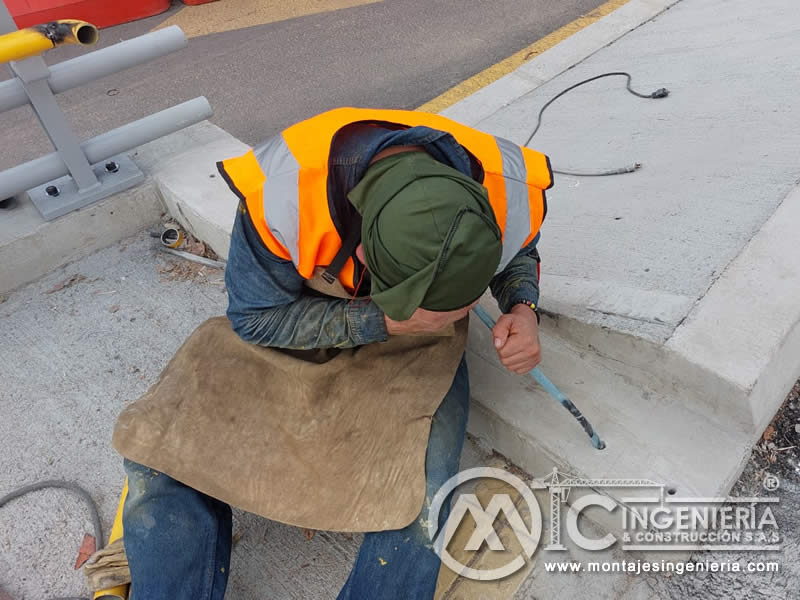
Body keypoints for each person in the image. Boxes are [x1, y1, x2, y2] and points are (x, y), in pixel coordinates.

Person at [121, 107, 552, 599]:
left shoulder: (505, 186)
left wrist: (522, 304)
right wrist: (380, 319)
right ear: (364, 257)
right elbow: (256, 317)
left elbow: (521, 247)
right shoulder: (283, 194)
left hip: (413, 346)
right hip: (295, 321)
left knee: (418, 497)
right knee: (163, 453)